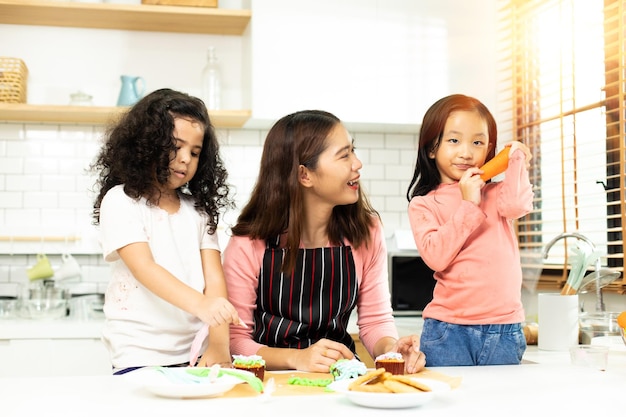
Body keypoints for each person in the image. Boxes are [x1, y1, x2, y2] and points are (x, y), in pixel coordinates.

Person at [223, 109, 426, 373]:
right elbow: (235, 341)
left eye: (353, 151)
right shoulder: (249, 242)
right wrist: (296, 358)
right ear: (304, 175)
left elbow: (375, 321)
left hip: (341, 378)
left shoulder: (366, 231)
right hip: (270, 382)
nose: (357, 164)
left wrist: (392, 350)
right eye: (344, 156)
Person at [90, 88, 241, 374]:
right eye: (175, 146)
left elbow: (214, 278)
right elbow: (144, 267)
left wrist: (220, 344)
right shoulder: (121, 201)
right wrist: (202, 305)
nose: (185, 158)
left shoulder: (197, 210)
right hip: (137, 351)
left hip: (194, 350)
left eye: (195, 152)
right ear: (146, 144)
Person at [406, 94, 534, 366]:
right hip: (449, 329)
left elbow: (518, 205)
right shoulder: (424, 204)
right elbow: (436, 257)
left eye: (477, 142)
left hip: (505, 328)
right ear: (432, 148)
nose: (466, 152)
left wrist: (516, 160)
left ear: (488, 149)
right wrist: (468, 203)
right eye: (454, 140)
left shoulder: (496, 193)